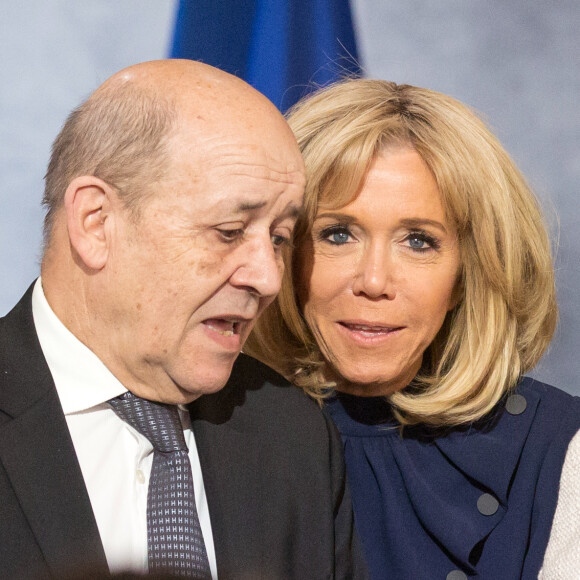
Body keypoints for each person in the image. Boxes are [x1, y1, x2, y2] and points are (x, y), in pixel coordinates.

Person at [0, 60, 367, 580]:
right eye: (228, 230)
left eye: (279, 238)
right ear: (96, 222)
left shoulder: (294, 436)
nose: (267, 278)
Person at [245, 78, 580, 579]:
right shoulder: (206, 432)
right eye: (338, 234)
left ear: (469, 273)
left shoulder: (563, 448)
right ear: (284, 252)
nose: (374, 281)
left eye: (419, 241)